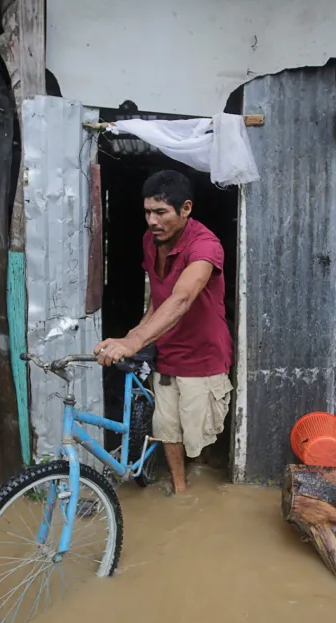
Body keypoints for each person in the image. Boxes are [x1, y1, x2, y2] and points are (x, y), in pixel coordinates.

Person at [94, 170, 233, 494]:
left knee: (200, 437)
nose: (152, 221)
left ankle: (203, 468)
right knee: (167, 428)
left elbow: (182, 298)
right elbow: (160, 297)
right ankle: (182, 490)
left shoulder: (205, 246)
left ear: (185, 209)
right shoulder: (150, 241)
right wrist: (135, 333)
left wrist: (135, 340)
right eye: (147, 212)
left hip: (203, 358)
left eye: (160, 212)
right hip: (167, 354)